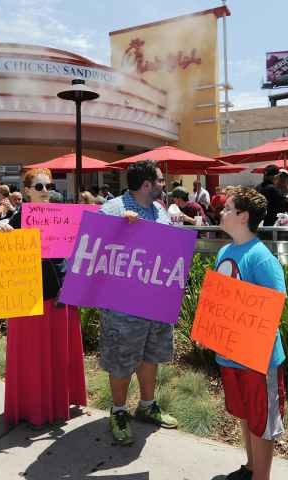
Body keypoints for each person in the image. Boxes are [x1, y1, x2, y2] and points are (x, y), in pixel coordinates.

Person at [0, 168, 87, 427]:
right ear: (26, 191)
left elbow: (89, 235)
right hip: (30, 299)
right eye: (39, 187)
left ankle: (59, 403)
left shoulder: (63, 214)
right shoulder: (17, 218)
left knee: (58, 355)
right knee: (32, 357)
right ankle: (33, 407)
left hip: (60, 296)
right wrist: (3, 227)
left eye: (48, 186)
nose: (46, 191)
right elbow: (2, 248)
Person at [99, 160, 177, 445]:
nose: (162, 185)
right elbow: (92, 254)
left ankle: (147, 405)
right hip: (122, 307)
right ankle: (118, 411)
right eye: (159, 180)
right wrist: (120, 231)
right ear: (146, 184)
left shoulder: (160, 211)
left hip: (155, 303)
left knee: (150, 355)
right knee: (121, 361)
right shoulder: (112, 210)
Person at [214, 186, 287, 480]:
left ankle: (262, 476)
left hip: (259, 360)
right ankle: (251, 467)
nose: (222, 211)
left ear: (243, 217)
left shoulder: (260, 258)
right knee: (245, 414)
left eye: (228, 208)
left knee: (262, 422)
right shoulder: (224, 250)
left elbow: (275, 306)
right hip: (230, 355)